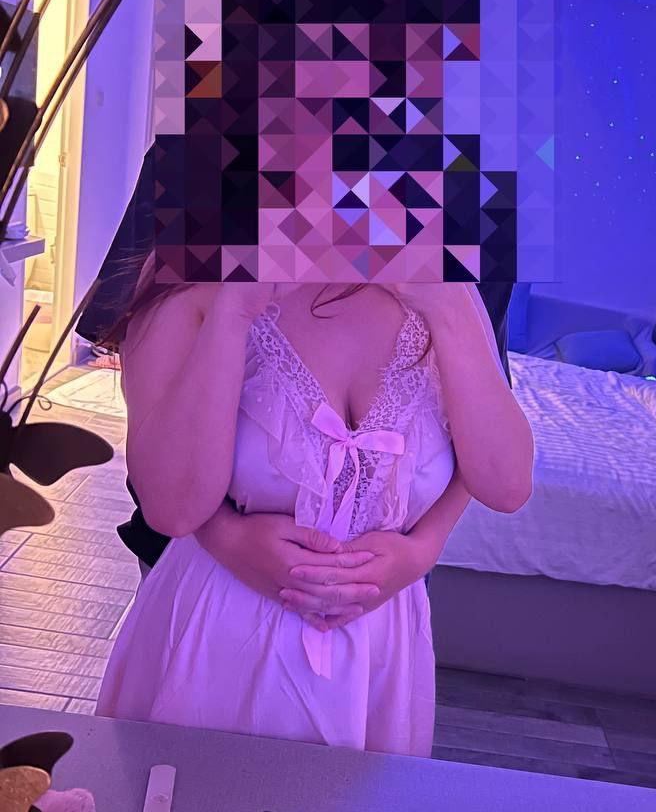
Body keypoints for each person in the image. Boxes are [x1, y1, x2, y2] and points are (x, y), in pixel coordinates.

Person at [95, 265, 533, 756]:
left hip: (379, 653)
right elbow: (169, 509)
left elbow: (505, 485)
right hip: (215, 641)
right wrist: (234, 310)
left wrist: (423, 548)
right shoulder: (192, 283)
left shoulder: (446, 286)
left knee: (353, 805)